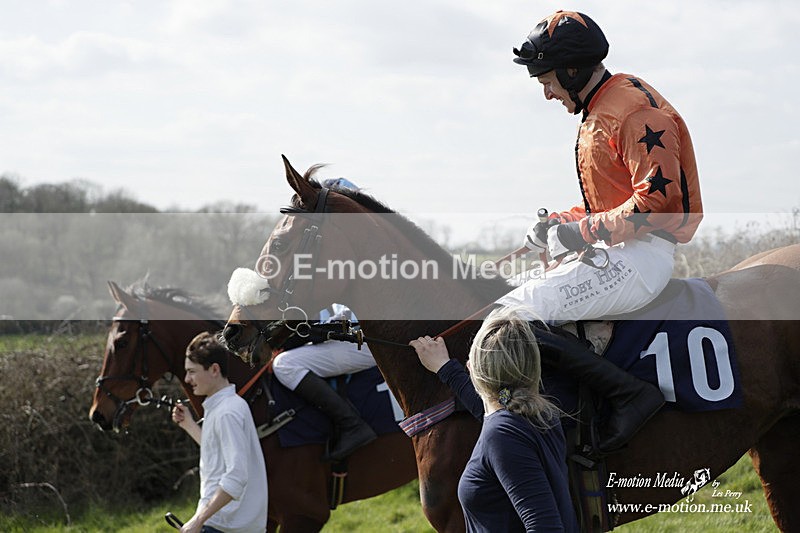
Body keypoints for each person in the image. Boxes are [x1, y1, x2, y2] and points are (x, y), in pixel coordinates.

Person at [486, 9, 705, 451]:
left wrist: (580, 233)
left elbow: (654, 203)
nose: (547, 94)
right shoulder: (603, 106)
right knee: (506, 294)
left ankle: (630, 395)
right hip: (624, 251)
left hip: (643, 258)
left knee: (511, 318)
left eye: (547, 82)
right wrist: (558, 226)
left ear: (572, 70)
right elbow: (606, 206)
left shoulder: (631, 110)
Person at [411, 307, 579, 532]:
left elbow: (545, 526)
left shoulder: (502, 434)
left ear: (473, 368)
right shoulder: (536, 413)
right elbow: (491, 414)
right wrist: (446, 368)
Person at [172, 332, 268, 533]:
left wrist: (199, 520)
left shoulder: (227, 412)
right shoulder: (223, 407)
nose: (187, 379)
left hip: (225, 526)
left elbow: (236, 476)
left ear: (214, 369)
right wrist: (189, 425)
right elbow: (218, 454)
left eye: (192, 372)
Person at [271, 303, 378, 462]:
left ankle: (352, 425)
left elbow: (349, 318)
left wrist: (303, 336)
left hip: (370, 336)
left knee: (285, 364)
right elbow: (326, 313)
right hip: (350, 329)